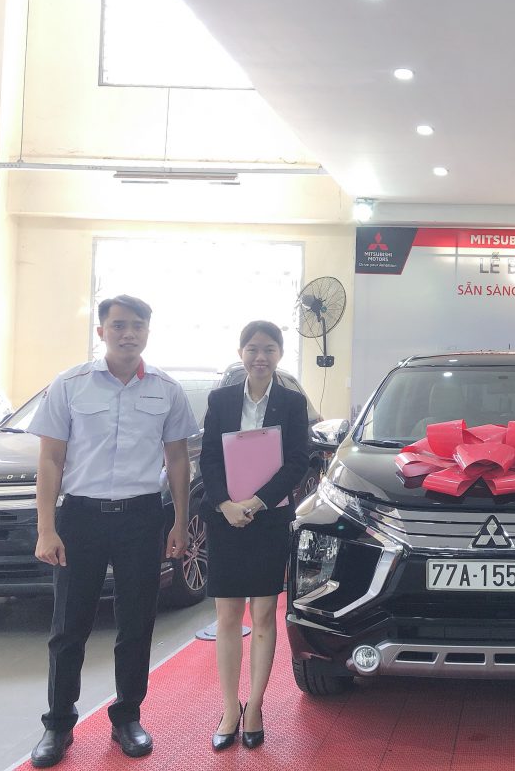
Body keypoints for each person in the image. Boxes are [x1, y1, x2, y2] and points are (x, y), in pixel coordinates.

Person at [28, 295, 198, 768]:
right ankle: (58, 724)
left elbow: (178, 460)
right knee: (69, 626)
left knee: (137, 622)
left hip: (141, 518)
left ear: (148, 331)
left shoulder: (166, 389)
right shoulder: (70, 384)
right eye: (119, 325)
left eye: (137, 325)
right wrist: (46, 527)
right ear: (101, 331)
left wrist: (179, 522)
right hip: (80, 518)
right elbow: (50, 459)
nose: (129, 333)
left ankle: (127, 717)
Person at [201, 320, 309, 751]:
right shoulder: (221, 399)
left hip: (268, 519)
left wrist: (257, 502)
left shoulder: (292, 402)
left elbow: (298, 461)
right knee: (228, 616)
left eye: (268, 349)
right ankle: (230, 707)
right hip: (226, 518)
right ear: (241, 352)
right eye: (252, 349)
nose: (260, 357)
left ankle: (256, 706)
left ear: (279, 354)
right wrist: (225, 504)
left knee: (263, 615)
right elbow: (209, 458)